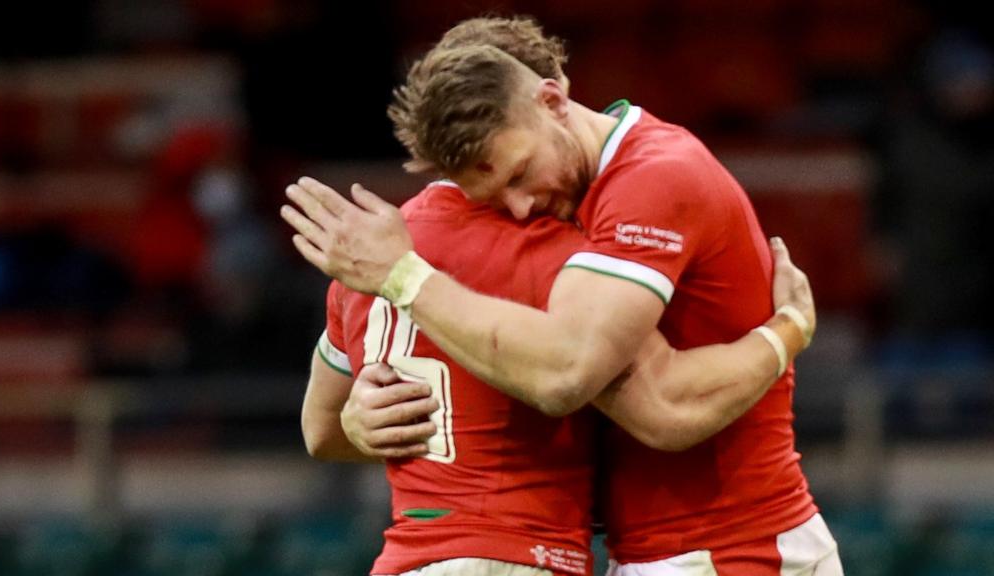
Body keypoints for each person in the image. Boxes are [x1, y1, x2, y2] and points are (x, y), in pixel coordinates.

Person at [285, 15, 839, 576]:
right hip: (666, 551)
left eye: (522, 173)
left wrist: (788, 331)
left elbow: (602, 386)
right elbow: (327, 430)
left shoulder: (653, 178)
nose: (520, 207)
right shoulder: (543, 228)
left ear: (553, 99)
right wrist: (365, 426)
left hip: (735, 546)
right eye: (495, 194)